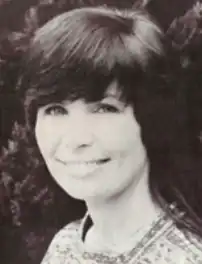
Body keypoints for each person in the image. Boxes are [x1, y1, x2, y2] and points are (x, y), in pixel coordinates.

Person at [13, 5, 202, 263]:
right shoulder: (64, 246)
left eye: (104, 108)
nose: (76, 139)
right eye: (55, 110)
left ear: (152, 122)